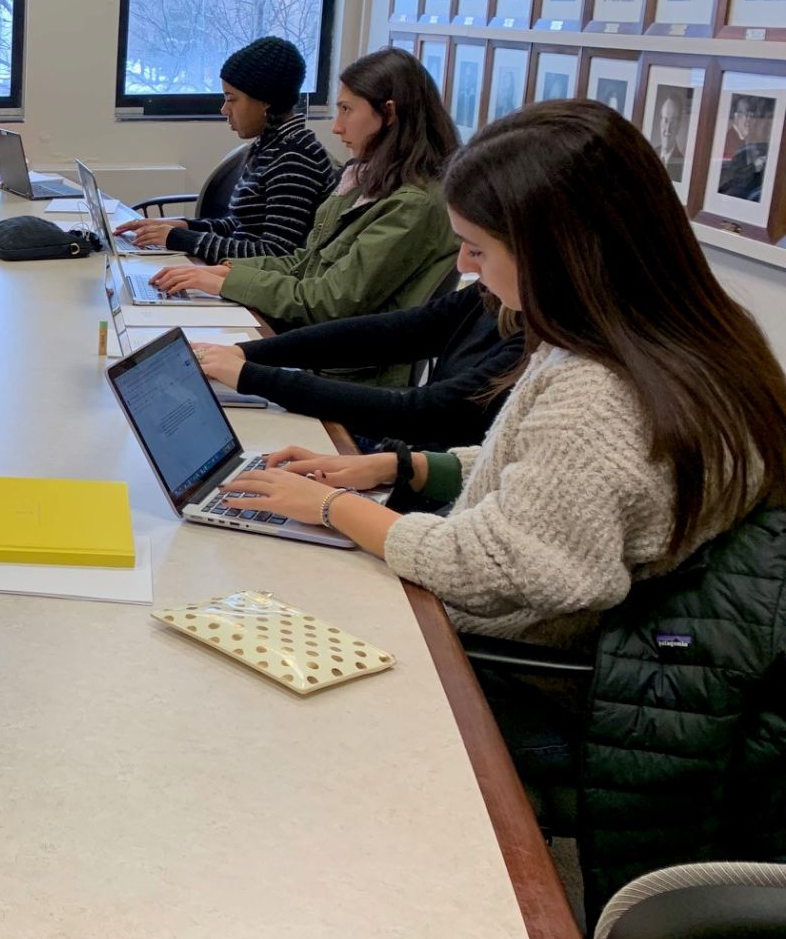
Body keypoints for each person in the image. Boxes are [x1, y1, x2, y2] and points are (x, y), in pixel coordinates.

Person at [222, 99, 786, 650]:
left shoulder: (598, 393)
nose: (463, 267)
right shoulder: (687, 333)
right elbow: (556, 478)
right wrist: (403, 466)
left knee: (241, 597)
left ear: (558, 253)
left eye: (476, 249)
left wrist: (331, 508)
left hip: (502, 663)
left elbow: (496, 564)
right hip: (516, 626)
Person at [150, 48, 462, 374]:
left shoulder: (411, 206)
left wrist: (222, 280)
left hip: (343, 372)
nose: (337, 127)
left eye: (346, 110)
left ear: (389, 113)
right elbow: (304, 261)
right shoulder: (366, 179)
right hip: (312, 348)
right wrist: (226, 272)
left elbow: (326, 301)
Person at [193, 285, 524, 450]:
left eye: (478, 250)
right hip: (404, 459)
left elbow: (422, 414)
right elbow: (393, 332)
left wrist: (252, 376)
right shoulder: (493, 294)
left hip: (423, 479)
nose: (462, 261)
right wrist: (245, 353)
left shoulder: (539, 347)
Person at [117, 39, 335, 262]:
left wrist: (179, 239)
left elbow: (274, 255)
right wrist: (181, 227)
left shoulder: (295, 159)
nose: (224, 110)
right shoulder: (270, 146)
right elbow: (241, 226)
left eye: (232, 99)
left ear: (266, 101)